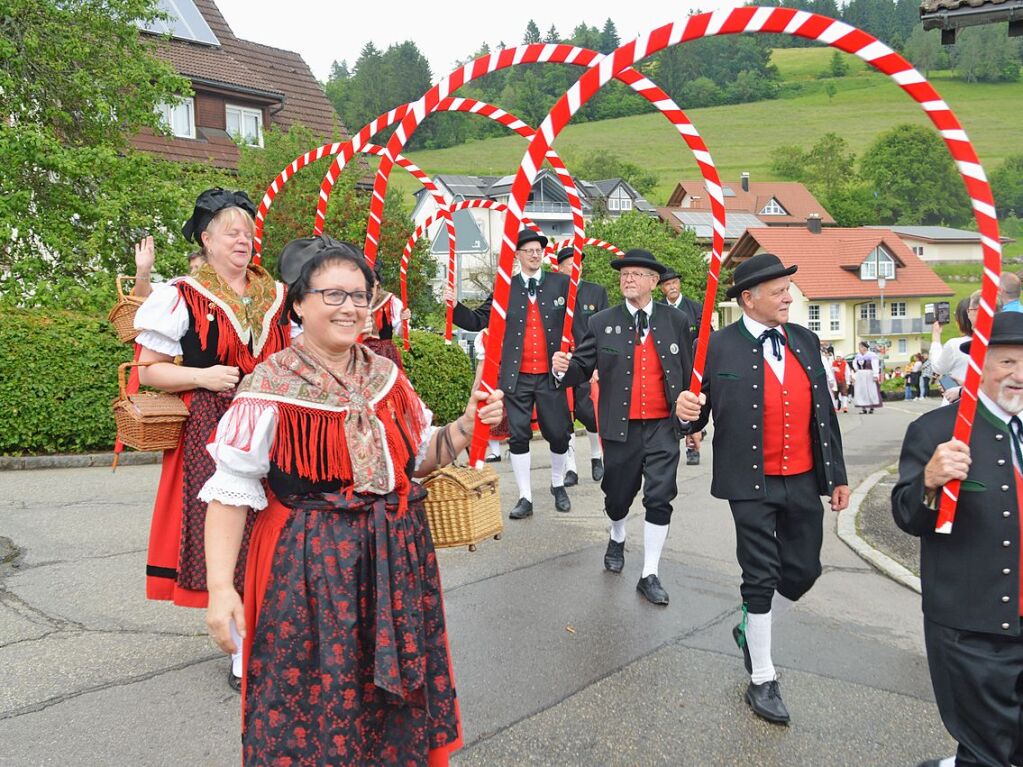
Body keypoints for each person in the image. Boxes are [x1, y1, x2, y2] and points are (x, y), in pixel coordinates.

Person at [201, 239, 504, 766]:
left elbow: (418, 459)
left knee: (387, 710)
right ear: (298, 303)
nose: (350, 308)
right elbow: (230, 495)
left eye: (360, 296)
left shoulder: (386, 376)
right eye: (333, 294)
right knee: (313, 703)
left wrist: (465, 427)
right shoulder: (270, 385)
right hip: (308, 570)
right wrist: (220, 589)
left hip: (394, 565)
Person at [676, 252, 849, 724]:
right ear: (748, 299)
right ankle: (763, 679)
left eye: (787, 289)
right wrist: (685, 412)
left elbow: (824, 416)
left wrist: (837, 477)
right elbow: (692, 415)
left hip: (803, 477)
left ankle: (750, 624)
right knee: (759, 576)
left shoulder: (806, 341)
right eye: (778, 291)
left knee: (802, 570)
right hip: (747, 483)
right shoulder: (714, 347)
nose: (788, 297)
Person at [133, 188, 290, 691]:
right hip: (212, 426)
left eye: (247, 231)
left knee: (279, 530)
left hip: (275, 423)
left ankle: (279, 632)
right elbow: (149, 372)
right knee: (235, 537)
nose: (243, 239)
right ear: (206, 238)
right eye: (231, 231)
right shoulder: (179, 294)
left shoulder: (279, 294)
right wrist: (203, 378)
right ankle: (244, 652)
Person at [893, 311, 1023, 767]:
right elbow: (906, 516)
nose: (1019, 375)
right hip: (972, 630)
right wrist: (928, 481)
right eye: (1007, 362)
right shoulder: (935, 431)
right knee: (987, 754)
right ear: (980, 364)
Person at [553, 249, 695, 606]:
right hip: (620, 428)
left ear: (653, 281)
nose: (627, 279)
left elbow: (689, 373)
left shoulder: (675, 321)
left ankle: (650, 572)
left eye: (636, 274)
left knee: (660, 496)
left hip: (663, 426)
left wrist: (690, 418)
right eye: (623, 274)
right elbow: (581, 367)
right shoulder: (601, 322)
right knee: (617, 496)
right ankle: (617, 533)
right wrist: (562, 368)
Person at [446, 230, 576, 519]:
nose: (534, 254)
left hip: (551, 374)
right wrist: (454, 306)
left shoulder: (561, 284)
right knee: (518, 436)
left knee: (558, 433)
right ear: (516, 255)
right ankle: (525, 496)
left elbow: (578, 323)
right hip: (516, 375)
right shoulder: (506, 287)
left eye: (538, 250)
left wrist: (577, 362)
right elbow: (478, 319)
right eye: (527, 250)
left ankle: (557, 483)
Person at [553, 246, 609, 484]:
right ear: (560, 268)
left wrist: (598, 365)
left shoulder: (596, 292)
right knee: (564, 417)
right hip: (561, 362)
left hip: (587, 364)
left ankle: (597, 457)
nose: (575, 267)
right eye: (569, 264)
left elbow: (605, 332)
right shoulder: (553, 294)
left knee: (589, 413)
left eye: (578, 263)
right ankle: (570, 468)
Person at [658, 268, 705, 466]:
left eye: (675, 283)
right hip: (667, 367)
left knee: (690, 405)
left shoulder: (695, 308)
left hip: (691, 365)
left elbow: (705, 338)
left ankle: (691, 447)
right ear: (662, 288)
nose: (672, 287)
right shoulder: (657, 310)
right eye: (668, 284)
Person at [360, 259, 412, 368]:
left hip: (384, 355)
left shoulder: (390, 301)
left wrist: (404, 321)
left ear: (377, 280)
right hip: (359, 355)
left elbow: (402, 334)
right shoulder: (353, 301)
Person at [930, 295, 978, 405]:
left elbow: (938, 367)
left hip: (956, 401)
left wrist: (936, 336)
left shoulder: (954, 344)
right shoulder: (995, 344)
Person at [130, 236, 204, 299]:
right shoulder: (178, 289)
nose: (192, 272)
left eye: (197, 267)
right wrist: (143, 271)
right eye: (191, 268)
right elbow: (143, 297)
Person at [851, 341, 883, 414]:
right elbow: (854, 364)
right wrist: (855, 374)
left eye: (860, 347)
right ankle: (863, 408)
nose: (859, 348)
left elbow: (875, 365)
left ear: (864, 347)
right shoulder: (858, 356)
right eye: (859, 347)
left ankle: (872, 407)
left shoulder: (872, 355)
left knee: (870, 390)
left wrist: (875, 375)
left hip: (869, 374)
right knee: (861, 391)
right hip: (860, 375)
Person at [830, 346, 850, 412]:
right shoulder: (833, 364)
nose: (838, 358)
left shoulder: (845, 364)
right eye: (837, 357)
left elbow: (847, 373)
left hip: (843, 380)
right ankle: (835, 407)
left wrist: (847, 382)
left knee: (844, 393)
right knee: (835, 394)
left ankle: (845, 406)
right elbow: (831, 373)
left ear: (841, 357)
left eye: (839, 357)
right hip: (835, 381)